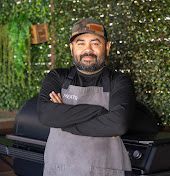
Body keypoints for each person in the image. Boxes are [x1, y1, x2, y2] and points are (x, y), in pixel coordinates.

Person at [37, 18, 135, 176]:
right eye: (80, 43)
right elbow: (45, 114)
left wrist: (65, 122)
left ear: (107, 47)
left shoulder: (119, 81)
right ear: (71, 48)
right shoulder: (56, 77)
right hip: (59, 170)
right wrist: (99, 111)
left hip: (106, 170)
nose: (87, 50)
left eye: (95, 43)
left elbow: (118, 124)